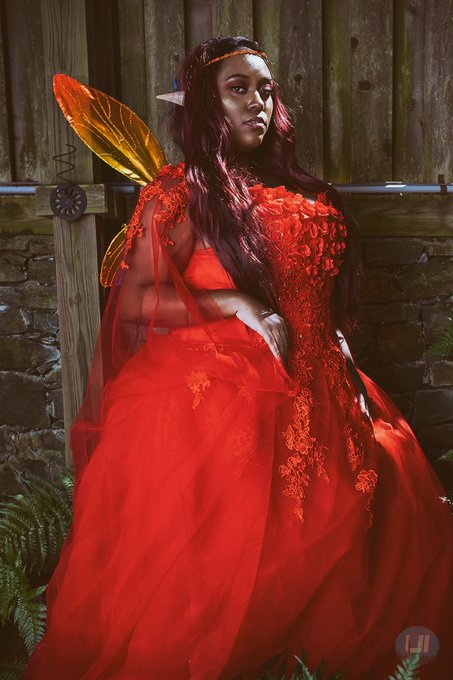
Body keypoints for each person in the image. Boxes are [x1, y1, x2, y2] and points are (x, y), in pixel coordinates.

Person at [23, 36, 453, 680]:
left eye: (265, 90)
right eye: (238, 89)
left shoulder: (302, 187)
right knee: (232, 553)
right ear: (205, 104)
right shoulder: (183, 191)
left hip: (326, 380)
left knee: (354, 530)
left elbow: (319, 293)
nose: (258, 102)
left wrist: (338, 344)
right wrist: (236, 304)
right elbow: (135, 299)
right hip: (227, 389)